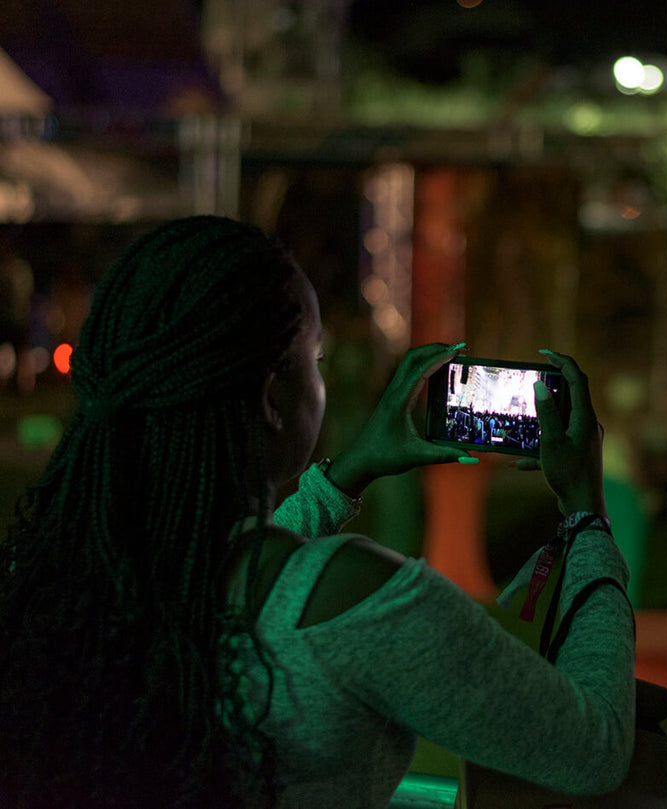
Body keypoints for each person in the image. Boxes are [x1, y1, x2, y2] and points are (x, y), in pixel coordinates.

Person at [0, 216, 634, 809]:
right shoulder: (360, 598)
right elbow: (594, 747)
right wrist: (586, 517)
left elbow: (247, 583)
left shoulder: (56, 580)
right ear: (274, 395)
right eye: (317, 358)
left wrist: (346, 475)